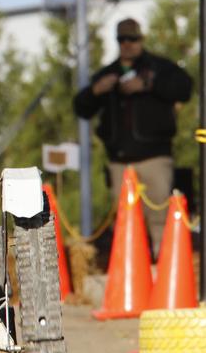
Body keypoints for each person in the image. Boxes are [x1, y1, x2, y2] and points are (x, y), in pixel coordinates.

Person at [73, 17, 192, 253]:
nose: (128, 44)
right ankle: (132, 274)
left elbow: (186, 88)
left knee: (159, 218)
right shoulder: (109, 74)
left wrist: (149, 85)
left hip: (155, 158)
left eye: (133, 38)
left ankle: (163, 268)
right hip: (120, 163)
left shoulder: (160, 67)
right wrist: (96, 91)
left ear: (141, 39)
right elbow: (81, 107)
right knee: (126, 222)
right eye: (122, 39)